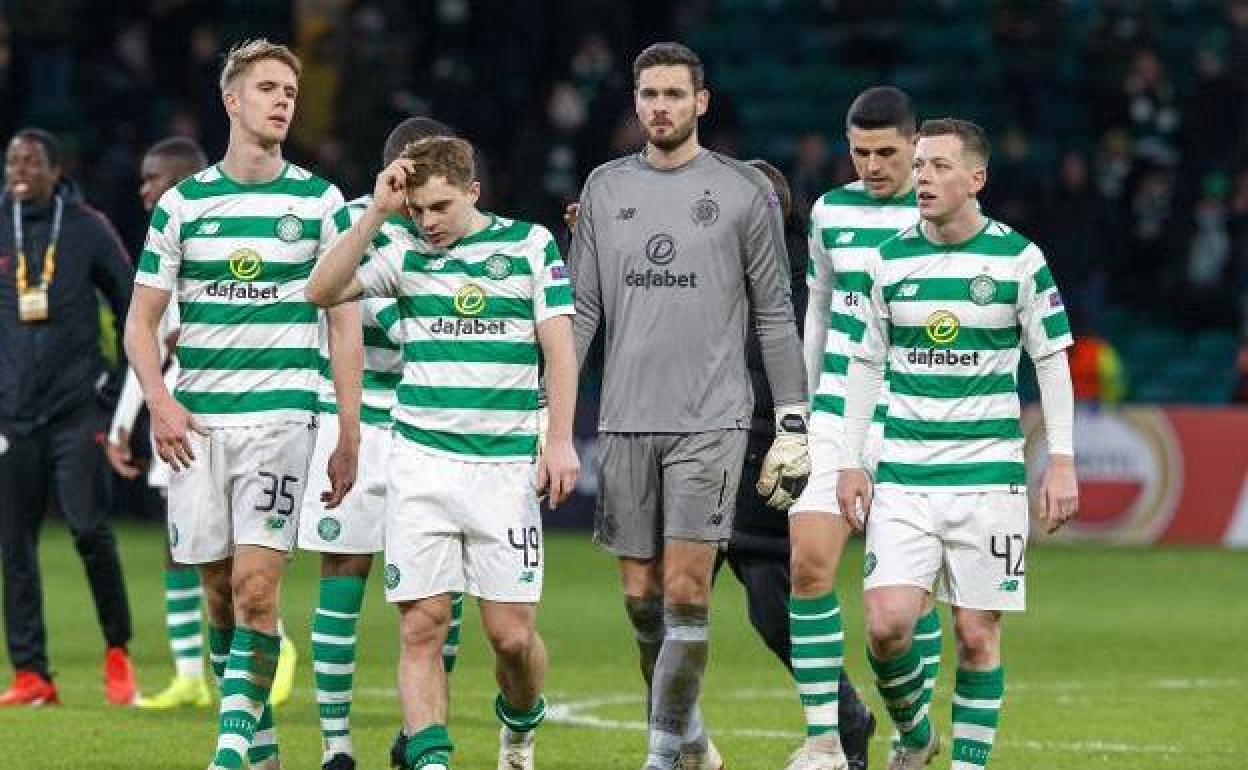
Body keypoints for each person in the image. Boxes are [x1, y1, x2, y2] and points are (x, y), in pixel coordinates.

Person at [562, 158, 877, 770]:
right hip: (690, 448)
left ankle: (845, 719)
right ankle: (686, 744)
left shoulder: (801, 280)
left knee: (771, 610)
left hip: (760, 457)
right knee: (660, 605)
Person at [567, 43, 809, 770]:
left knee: (685, 592)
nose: (661, 107)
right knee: (641, 600)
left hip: (712, 421)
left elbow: (776, 315)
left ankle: (662, 754)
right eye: (649, 94)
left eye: (675, 94)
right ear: (636, 101)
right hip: (624, 419)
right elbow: (581, 314)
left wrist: (792, 421)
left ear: (701, 102)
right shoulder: (605, 188)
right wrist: (550, 415)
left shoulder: (741, 191)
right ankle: (691, 739)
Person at [305, 135, 580, 770]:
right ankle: (432, 760)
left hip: (503, 471)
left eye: (441, 207)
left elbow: (560, 348)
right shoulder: (404, 257)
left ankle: (520, 727)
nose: (428, 221)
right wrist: (377, 214)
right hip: (420, 467)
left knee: (511, 637)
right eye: (418, 210)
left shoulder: (530, 246)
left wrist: (561, 439)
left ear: (473, 193)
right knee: (421, 626)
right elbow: (320, 290)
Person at [124, 39, 354, 770]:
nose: (283, 100)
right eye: (267, 88)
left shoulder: (318, 202)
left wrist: (348, 430)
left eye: (290, 90)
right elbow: (139, 323)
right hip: (198, 425)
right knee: (220, 595)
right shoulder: (184, 205)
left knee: (258, 591)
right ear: (232, 100)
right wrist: (160, 402)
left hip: (283, 417)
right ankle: (262, 753)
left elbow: (344, 323)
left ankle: (226, 756)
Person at [836, 118, 1079, 770]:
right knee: (887, 626)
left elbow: (1051, 359)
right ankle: (916, 736)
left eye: (939, 166)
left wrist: (1061, 460)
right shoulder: (888, 260)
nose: (923, 178)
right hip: (905, 476)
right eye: (920, 165)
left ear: (976, 179)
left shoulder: (1019, 259)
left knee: (975, 634)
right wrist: (852, 462)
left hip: (989, 479)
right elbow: (864, 364)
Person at [108, 136, 302, 711]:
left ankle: (273, 640)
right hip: (176, 420)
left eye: (155, 179)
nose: (145, 191)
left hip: (229, 419)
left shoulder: (216, 239)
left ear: (184, 181)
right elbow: (146, 344)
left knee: (243, 563)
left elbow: (168, 344)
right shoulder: (166, 247)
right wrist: (125, 423)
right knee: (186, 553)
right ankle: (190, 673)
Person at [297, 116, 468, 770]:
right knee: (343, 573)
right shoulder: (350, 219)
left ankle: (415, 728)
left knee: (442, 587)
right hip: (358, 417)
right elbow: (340, 302)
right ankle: (336, 746)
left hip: (432, 421)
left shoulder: (455, 226)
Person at [785, 87, 946, 770]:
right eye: (860, 153)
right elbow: (818, 310)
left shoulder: (941, 212)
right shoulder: (830, 212)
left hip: (912, 418)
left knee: (903, 612)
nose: (873, 165)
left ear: (915, 145)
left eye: (886, 152)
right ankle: (823, 738)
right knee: (808, 566)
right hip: (834, 413)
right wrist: (799, 409)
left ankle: (914, 730)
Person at [0, 126, 138, 707]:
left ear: (57, 171)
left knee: (87, 528)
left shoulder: (86, 227)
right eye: (12, 161)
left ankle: (117, 650)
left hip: (77, 409)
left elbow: (133, 303)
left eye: (31, 161)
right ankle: (32, 674)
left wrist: (114, 389)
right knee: (14, 545)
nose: (19, 170)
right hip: (12, 416)